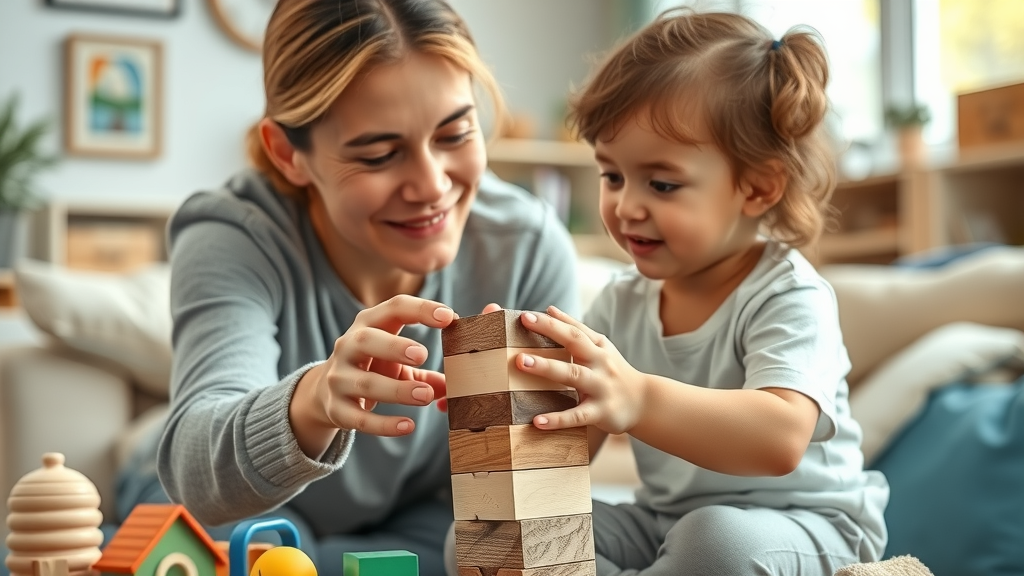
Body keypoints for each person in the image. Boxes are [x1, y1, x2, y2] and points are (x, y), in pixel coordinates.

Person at [151, 2, 579, 576]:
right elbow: (197, 477)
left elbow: (525, 514)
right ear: (287, 153)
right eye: (379, 155)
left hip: (415, 524)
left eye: (455, 132)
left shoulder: (525, 244)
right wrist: (316, 398)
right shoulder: (235, 233)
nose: (432, 185)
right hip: (239, 521)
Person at [507, 9, 889, 576]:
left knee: (713, 543)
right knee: (502, 537)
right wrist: (511, 400)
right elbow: (569, 452)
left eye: (661, 184)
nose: (626, 205)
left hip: (811, 526)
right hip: (664, 521)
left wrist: (636, 398)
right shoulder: (619, 301)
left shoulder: (789, 294)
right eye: (612, 176)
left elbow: (781, 438)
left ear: (758, 187)